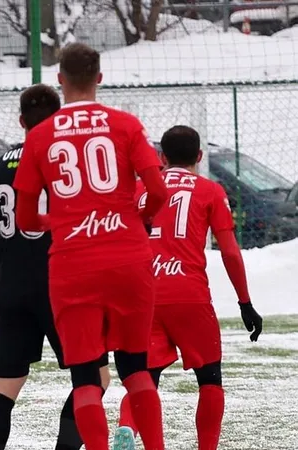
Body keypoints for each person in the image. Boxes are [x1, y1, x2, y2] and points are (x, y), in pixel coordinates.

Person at [13, 42, 168, 450]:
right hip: (128, 257)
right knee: (136, 368)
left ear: (60, 80)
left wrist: (60, 222)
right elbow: (157, 190)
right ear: (99, 78)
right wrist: (138, 217)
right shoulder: (126, 124)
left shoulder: (41, 134)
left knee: (84, 375)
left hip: (73, 264)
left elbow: (26, 218)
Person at [110, 126, 263, 450]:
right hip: (189, 295)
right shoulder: (210, 191)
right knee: (209, 380)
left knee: (144, 378)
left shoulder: (139, 189)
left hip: (145, 294)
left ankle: (127, 427)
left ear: (162, 158)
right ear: (199, 157)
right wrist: (244, 301)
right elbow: (231, 252)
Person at [0, 84, 111, 450]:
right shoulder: (67, 159)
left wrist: (9, 276)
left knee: (4, 390)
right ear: (60, 117)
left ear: (20, 120)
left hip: (11, 289)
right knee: (94, 381)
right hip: (63, 288)